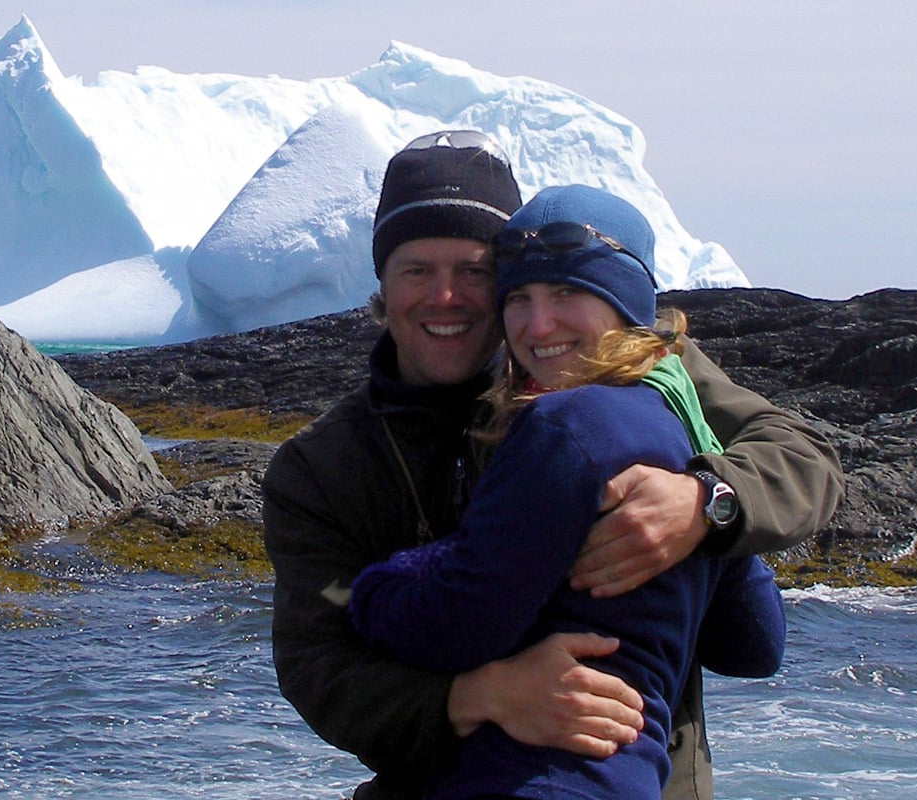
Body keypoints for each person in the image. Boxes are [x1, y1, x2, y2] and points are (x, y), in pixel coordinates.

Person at [263, 132, 844, 800]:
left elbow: (807, 459)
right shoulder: (323, 468)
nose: (445, 297)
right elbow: (319, 669)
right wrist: (474, 697)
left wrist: (706, 502)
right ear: (383, 288)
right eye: (416, 269)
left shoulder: (646, 379)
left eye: (474, 271)